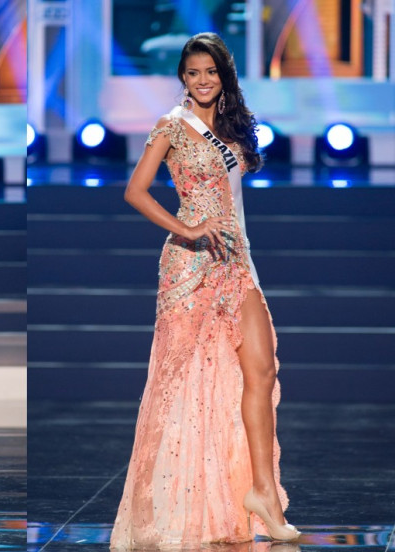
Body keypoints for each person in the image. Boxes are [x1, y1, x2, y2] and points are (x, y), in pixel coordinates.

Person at [110, 33, 300, 548]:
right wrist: (186, 227)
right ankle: (175, 501)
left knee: (262, 370)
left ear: (224, 75)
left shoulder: (236, 130)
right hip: (189, 270)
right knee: (179, 385)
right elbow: (135, 190)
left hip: (237, 264)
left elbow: (235, 209)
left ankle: (263, 492)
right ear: (182, 77)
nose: (201, 81)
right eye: (192, 73)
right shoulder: (173, 125)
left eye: (209, 72)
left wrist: (249, 268)